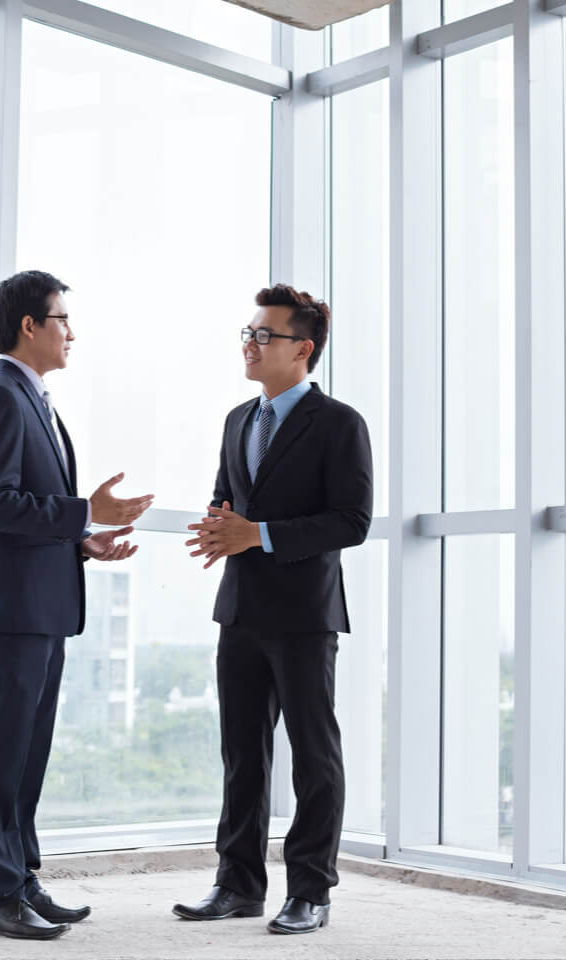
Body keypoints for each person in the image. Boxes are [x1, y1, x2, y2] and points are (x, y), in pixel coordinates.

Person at [0, 269, 153, 940]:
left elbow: (32, 516)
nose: (72, 331)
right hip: (10, 613)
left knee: (25, 759)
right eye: (62, 318)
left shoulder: (36, 401)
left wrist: (84, 539)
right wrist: (81, 510)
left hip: (40, 609)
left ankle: (19, 879)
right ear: (30, 327)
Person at [174, 283, 372, 935]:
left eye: (265, 335)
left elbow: (351, 520)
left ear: (303, 349)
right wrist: (218, 526)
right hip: (240, 609)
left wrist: (256, 534)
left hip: (304, 612)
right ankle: (237, 885)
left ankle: (309, 890)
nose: (251, 345)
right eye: (248, 334)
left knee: (314, 755)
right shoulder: (238, 419)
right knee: (242, 753)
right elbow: (226, 494)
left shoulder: (339, 423)